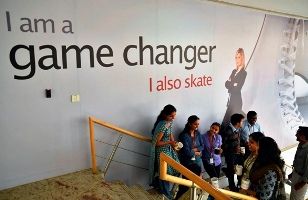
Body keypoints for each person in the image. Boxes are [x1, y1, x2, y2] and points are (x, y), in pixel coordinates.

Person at [149, 104, 180, 199]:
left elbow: (170, 134)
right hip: (161, 151)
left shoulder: (169, 122)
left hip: (168, 149)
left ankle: (161, 187)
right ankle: (166, 193)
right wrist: (170, 142)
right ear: (165, 115)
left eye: (174, 115)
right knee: (165, 171)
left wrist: (174, 144)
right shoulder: (162, 125)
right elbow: (157, 143)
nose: (173, 118)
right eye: (171, 116)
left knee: (177, 168)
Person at [175, 115, 203, 200]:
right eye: (195, 124)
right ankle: (178, 198)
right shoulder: (183, 135)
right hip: (187, 162)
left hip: (197, 161)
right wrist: (195, 152)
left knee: (194, 183)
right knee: (185, 184)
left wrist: (195, 149)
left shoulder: (198, 133)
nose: (197, 126)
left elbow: (202, 146)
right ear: (190, 124)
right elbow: (186, 152)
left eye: (198, 124)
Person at [222, 48, 247, 126]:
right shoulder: (234, 71)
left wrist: (231, 84)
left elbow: (238, 88)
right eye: (236, 57)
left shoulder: (243, 73)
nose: (237, 59)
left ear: (242, 58)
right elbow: (226, 84)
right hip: (230, 99)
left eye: (239, 57)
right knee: (230, 122)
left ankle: (247, 119)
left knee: (226, 122)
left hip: (236, 101)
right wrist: (233, 84)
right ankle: (247, 118)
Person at [221, 113, 245, 192]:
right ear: (238, 123)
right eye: (242, 121)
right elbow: (223, 145)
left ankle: (238, 184)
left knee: (240, 170)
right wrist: (233, 149)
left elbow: (237, 140)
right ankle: (232, 187)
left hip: (238, 154)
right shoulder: (227, 130)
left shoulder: (238, 129)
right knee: (231, 171)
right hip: (230, 155)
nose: (243, 123)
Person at [202, 122, 223, 200]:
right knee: (214, 178)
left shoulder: (219, 137)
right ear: (210, 127)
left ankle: (211, 196)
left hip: (217, 160)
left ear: (218, 131)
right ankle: (213, 196)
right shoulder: (203, 137)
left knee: (215, 178)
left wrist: (221, 151)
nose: (213, 130)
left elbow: (220, 147)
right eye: (212, 128)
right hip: (207, 160)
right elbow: (201, 149)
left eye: (216, 130)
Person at [289, 126, 308, 200]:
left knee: (297, 198)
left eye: (297, 133)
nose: (295, 135)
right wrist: (293, 173)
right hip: (296, 175)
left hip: (301, 179)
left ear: (303, 137)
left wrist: (301, 184)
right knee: (292, 197)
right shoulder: (300, 145)